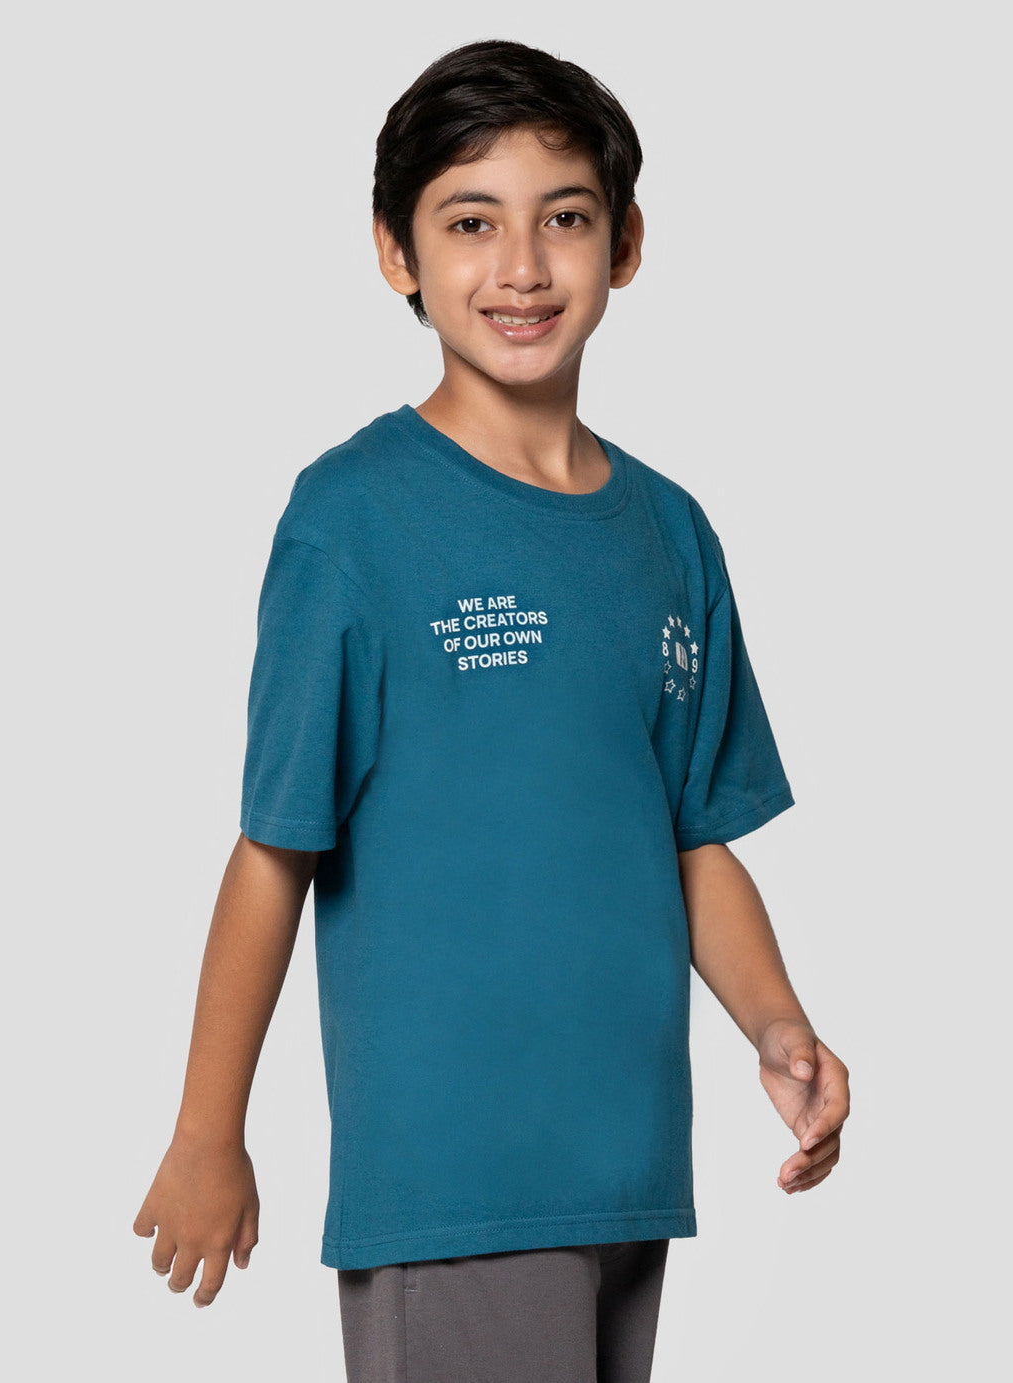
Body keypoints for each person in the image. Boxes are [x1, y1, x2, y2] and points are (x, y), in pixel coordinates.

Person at [133, 37, 850, 1383]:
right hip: (455, 1184)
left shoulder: (671, 534)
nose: (521, 266)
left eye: (563, 218)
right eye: (471, 223)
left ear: (625, 243)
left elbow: (690, 838)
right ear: (395, 253)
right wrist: (207, 1134)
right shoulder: (354, 519)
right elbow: (275, 846)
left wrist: (776, 1024)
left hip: (628, 1171)